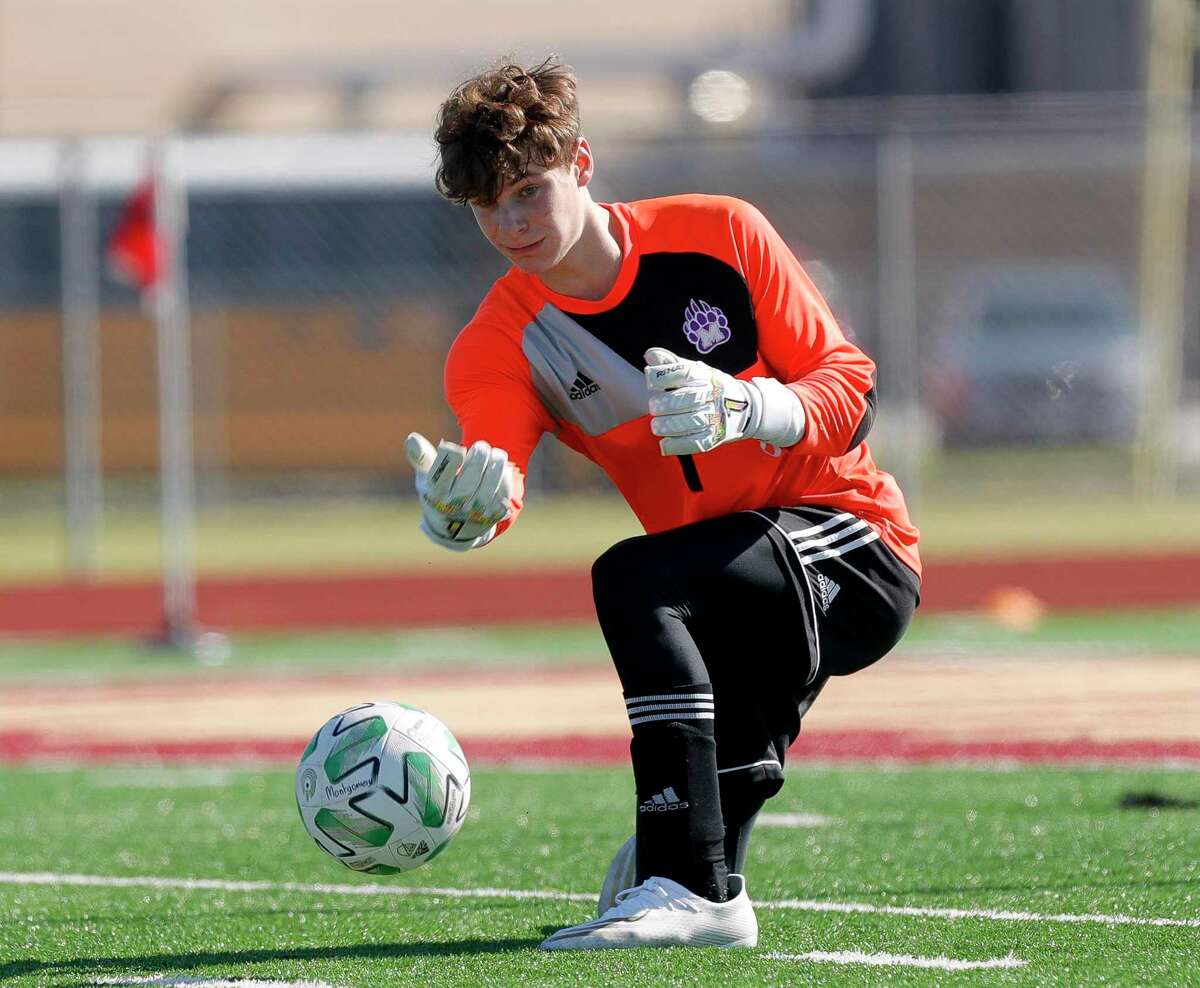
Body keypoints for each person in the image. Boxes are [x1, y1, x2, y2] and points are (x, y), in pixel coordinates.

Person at [405, 56, 921, 951]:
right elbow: (498, 466)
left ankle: (689, 883)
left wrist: (748, 406)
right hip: (724, 588)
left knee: (635, 581)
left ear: (583, 164)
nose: (512, 222)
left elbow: (854, 389)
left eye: (528, 189)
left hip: (855, 543)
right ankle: (692, 881)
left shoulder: (720, 233)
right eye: (488, 205)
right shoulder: (495, 341)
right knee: (723, 783)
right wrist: (467, 506)